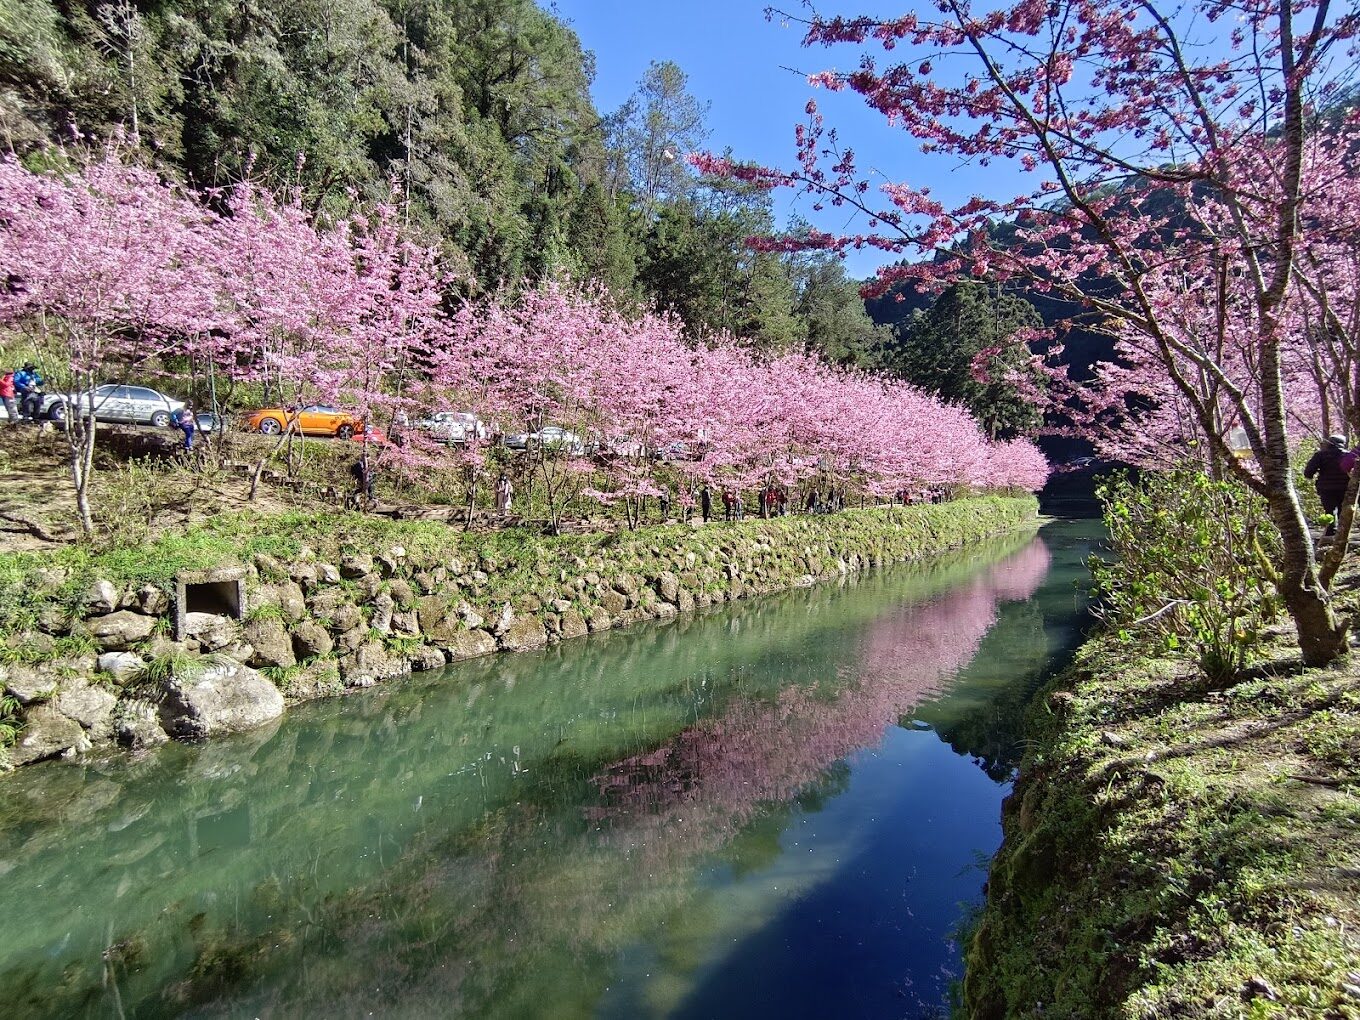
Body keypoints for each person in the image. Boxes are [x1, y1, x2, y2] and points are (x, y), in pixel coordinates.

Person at [1304, 434, 1352, 536]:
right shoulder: (1348, 455)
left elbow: (1308, 472)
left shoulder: (1320, 455)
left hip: (1326, 488)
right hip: (1345, 487)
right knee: (1342, 509)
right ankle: (1342, 533)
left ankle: (1331, 532)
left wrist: (1311, 475)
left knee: (1330, 510)